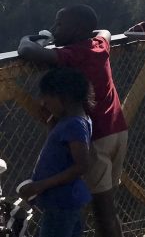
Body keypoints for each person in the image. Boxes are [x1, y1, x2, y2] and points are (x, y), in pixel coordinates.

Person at [18, 5, 127, 237]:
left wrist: (32, 38)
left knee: (103, 210)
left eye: (60, 24)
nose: (54, 28)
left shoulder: (73, 54)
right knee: (108, 205)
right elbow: (105, 32)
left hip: (94, 139)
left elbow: (26, 50)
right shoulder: (99, 46)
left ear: (77, 29)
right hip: (117, 128)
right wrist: (86, 32)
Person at [19, 68, 92, 237]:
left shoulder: (75, 125)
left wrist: (40, 185)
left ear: (64, 97)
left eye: (47, 98)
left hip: (61, 204)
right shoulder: (72, 120)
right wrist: (52, 125)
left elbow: (81, 166)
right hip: (65, 201)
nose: (43, 104)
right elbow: (60, 149)